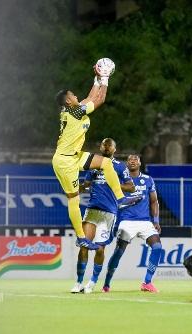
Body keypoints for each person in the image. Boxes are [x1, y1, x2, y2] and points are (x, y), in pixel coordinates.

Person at [52, 63, 140, 250]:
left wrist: (97, 78)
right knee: (73, 198)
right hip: (65, 161)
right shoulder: (74, 111)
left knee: (106, 163)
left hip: (74, 155)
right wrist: (106, 79)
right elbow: (99, 100)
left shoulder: (74, 109)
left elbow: (91, 97)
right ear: (68, 101)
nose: (77, 96)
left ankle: (120, 199)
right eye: (73, 95)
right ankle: (81, 237)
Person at [71, 138, 135, 294]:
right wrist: (73, 189)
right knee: (84, 245)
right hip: (92, 210)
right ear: (100, 147)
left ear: (114, 149)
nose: (106, 148)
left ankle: (92, 283)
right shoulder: (93, 164)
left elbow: (131, 187)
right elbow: (85, 185)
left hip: (109, 213)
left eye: (109, 146)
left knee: (100, 249)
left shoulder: (120, 167)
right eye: (104, 146)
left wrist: (113, 183)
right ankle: (79, 282)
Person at [102, 154, 163, 293]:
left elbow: (154, 201)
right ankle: (106, 283)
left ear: (140, 163)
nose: (133, 161)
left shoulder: (148, 179)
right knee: (118, 252)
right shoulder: (119, 181)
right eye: (130, 160)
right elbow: (112, 201)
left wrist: (156, 221)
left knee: (157, 247)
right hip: (126, 221)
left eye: (135, 159)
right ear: (126, 164)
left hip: (145, 222)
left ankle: (147, 282)